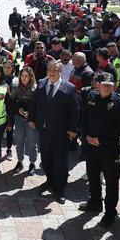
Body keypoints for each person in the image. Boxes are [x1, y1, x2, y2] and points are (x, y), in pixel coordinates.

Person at [78, 72, 120, 227]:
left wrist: (101, 140)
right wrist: (85, 135)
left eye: (109, 86)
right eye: (103, 85)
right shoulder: (90, 96)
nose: (106, 88)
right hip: (91, 146)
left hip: (109, 148)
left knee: (112, 180)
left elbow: (119, 127)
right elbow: (84, 117)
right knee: (92, 175)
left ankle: (110, 212)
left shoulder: (119, 102)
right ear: (97, 84)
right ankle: (95, 202)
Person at [29, 60, 80, 204]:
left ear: (61, 72)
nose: (52, 72)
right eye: (50, 70)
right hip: (44, 130)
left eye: (55, 70)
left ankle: (60, 188)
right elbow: (35, 102)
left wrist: (72, 129)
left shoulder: (69, 88)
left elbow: (75, 111)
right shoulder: (41, 83)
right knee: (46, 159)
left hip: (61, 132)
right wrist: (32, 118)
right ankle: (49, 181)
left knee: (60, 161)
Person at [10, 67, 38, 175]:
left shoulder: (35, 89)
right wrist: (19, 109)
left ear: (31, 77)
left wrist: (31, 114)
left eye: (26, 76)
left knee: (32, 143)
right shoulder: (16, 88)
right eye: (22, 76)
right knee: (19, 142)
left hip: (31, 120)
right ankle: (20, 161)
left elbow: (38, 106)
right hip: (19, 119)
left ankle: (32, 163)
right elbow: (12, 102)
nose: (24, 78)